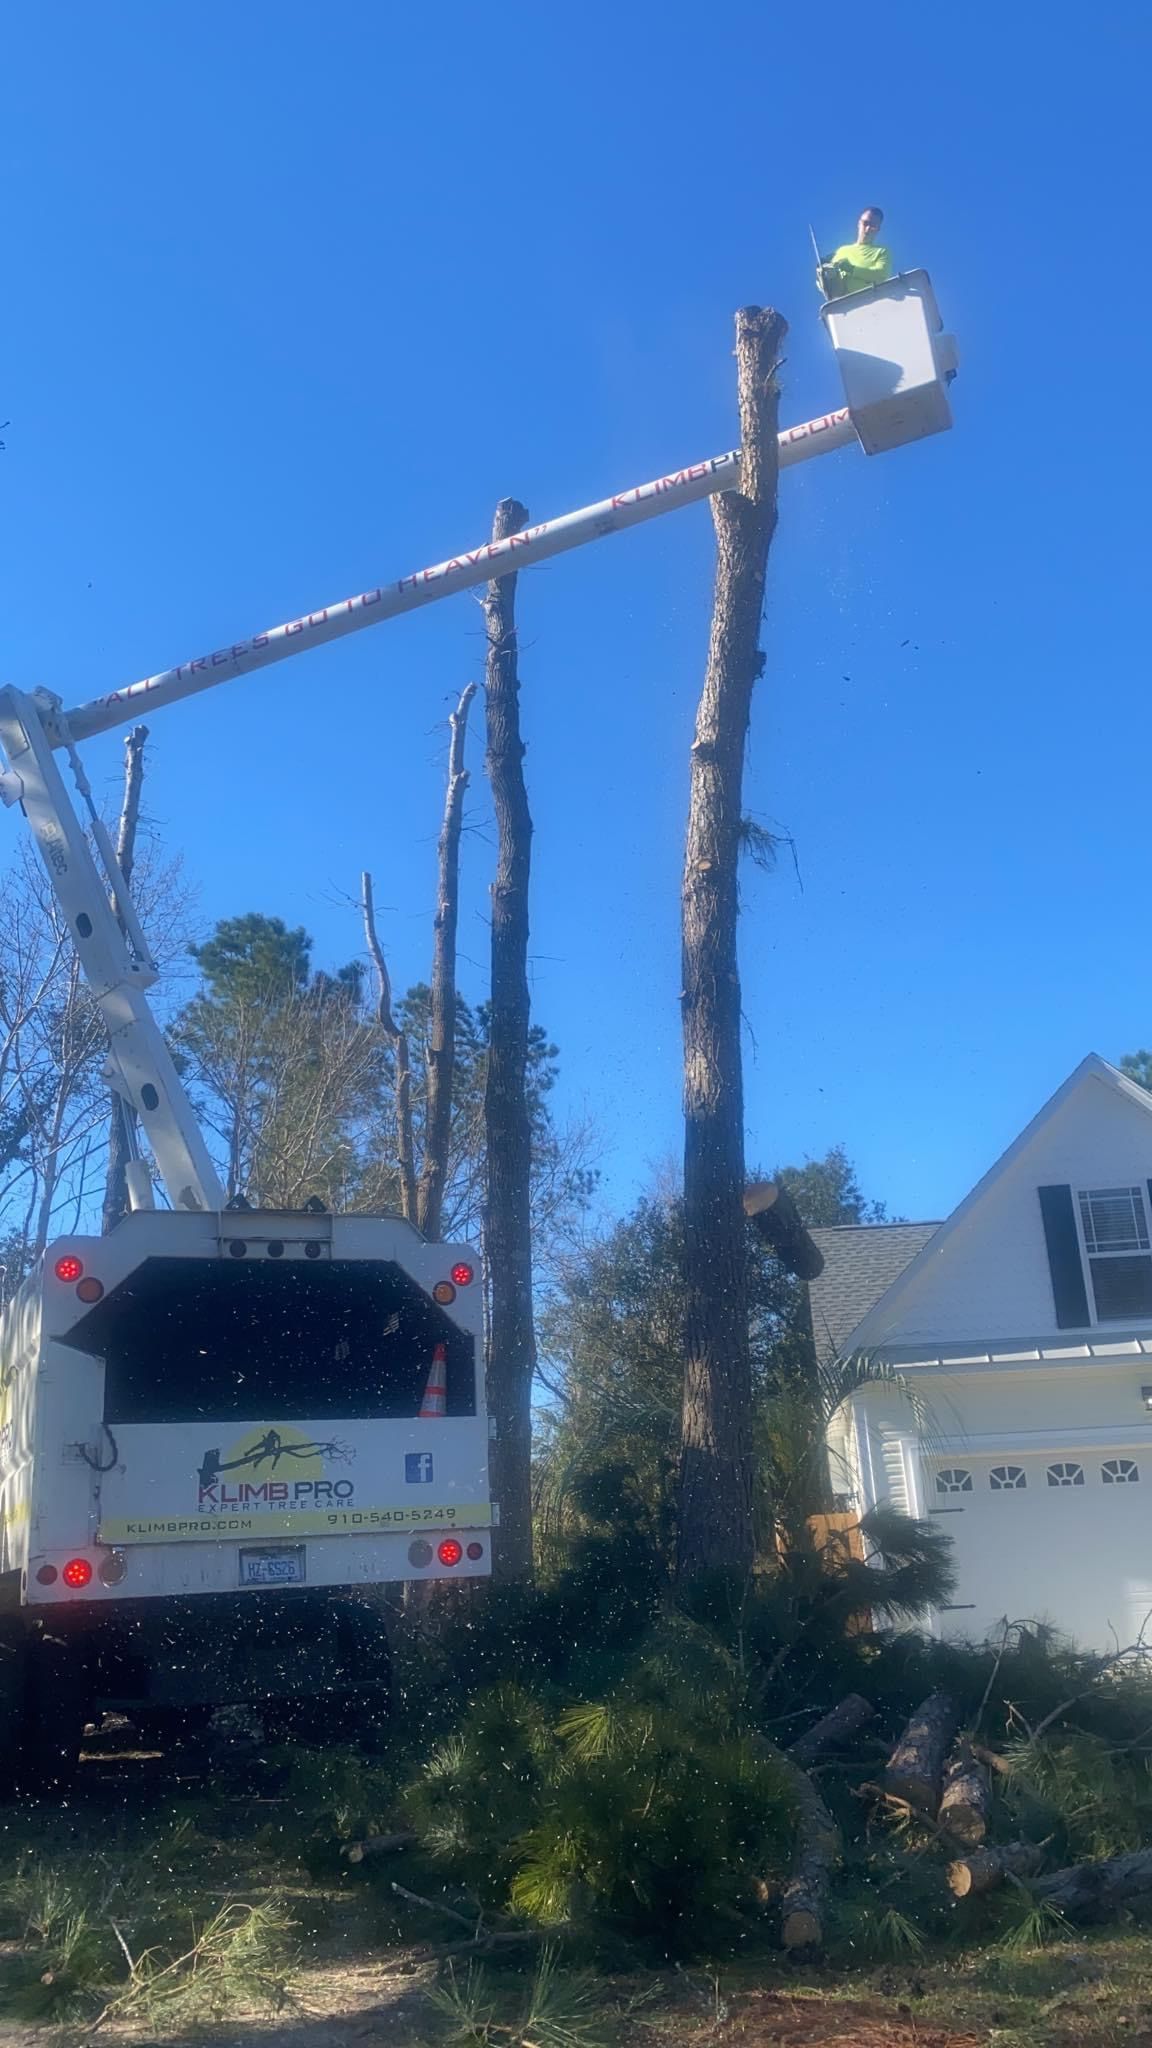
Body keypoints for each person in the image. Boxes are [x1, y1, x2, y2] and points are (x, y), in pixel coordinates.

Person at [817, 208, 892, 300]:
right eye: (865, 223)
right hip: (841, 305)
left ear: (878, 229)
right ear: (859, 223)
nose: (868, 228)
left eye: (873, 226)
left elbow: (881, 275)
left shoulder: (881, 251)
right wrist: (822, 274)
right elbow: (825, 287)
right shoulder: (842, 251)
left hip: (866, 302)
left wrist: (852, 269)